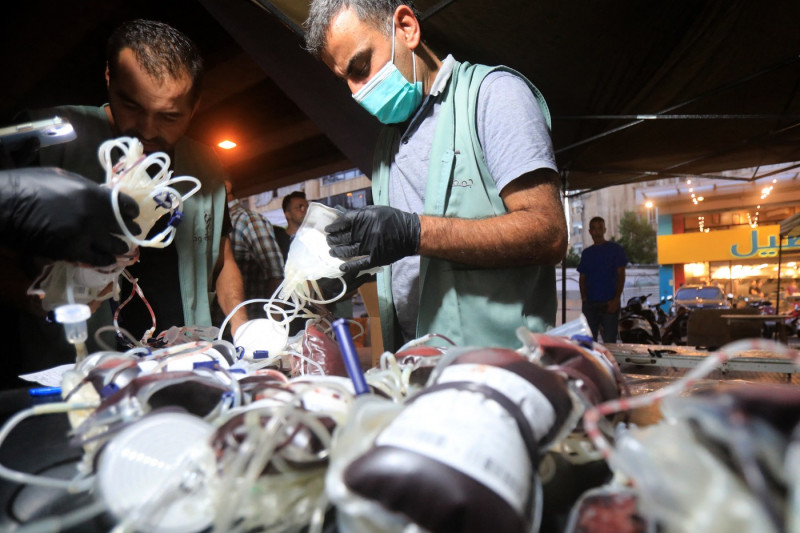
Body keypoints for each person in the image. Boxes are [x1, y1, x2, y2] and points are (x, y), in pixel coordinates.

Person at [304, 1, 567, 351]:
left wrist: (415, 232)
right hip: (415, 363)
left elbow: (548, 234)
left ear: (407, 27)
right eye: (346, 80)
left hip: (499, 364)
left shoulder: (492, 96)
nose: (356, 91)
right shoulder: (388, 143)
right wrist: (355, 268)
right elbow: (409, 259)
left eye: (362, 66)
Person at [16, 19, 247, 357]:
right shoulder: (49, 142)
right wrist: (42, 301)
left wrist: (246, 330)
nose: (147, 131)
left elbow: (222, 260)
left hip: (186, 357)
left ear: (194, 107)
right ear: (109, 78)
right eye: (132, 106)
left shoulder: (205, 165)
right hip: (80, 361)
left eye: (169, 116)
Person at [225, 180, 284, 316]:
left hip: (247, 325)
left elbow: (276, 276)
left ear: (226, 186)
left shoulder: (247, 219)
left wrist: (272, 325)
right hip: (221, 324)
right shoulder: (220, 222)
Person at [577, 217, 628, 343]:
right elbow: (582, 278)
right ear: (589, 231)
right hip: (590, 305)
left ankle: (609, 363)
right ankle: (595, 363)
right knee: (589, 342)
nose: (597, 232)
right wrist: (584, 300)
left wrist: (616, 299)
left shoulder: (615, 249)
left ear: (604, 230)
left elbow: (621, 275)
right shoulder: (586, 253)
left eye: (600, 228)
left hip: (609, 303)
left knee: (610, 342)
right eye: (594, 228)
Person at [274, 190, 309, 261]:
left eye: (307, 207)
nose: (305, 210)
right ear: (287, 214)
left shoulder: (315, 238)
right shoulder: (278, 244)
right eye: (300, 207)